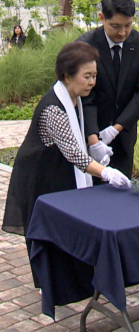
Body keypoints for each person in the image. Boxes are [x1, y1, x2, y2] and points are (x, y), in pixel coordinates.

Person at [2, 42, 130, 243]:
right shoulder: (54, 108)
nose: (91, 82)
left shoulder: (75, 98)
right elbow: (73, 153)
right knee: (50, 242)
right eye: (86, 76)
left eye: (94, 76)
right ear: (67, 76)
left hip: (56, 172)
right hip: (39, 178)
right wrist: (106, 172)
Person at [77, 0, 139, 179]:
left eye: (128, 26)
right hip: (91, 131)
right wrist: (94, 140)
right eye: (115, 26)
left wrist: (116, 128)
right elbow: (85, 95)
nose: (122, 32)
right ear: (102, 18)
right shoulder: (86, 45)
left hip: (124, 133)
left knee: (122, 189)